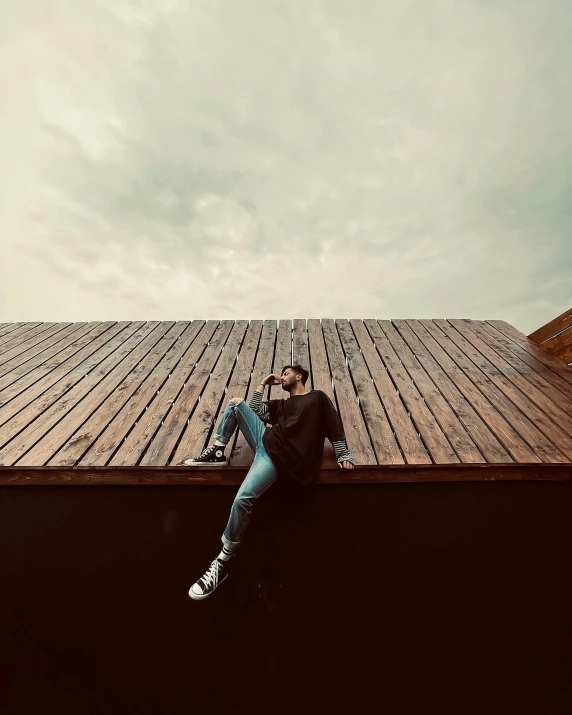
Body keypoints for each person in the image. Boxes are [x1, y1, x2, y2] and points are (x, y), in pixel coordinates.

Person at [184, 364, 355, 600]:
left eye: (286, 373)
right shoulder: (282, 405)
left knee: (242, 500)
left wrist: (343, 454)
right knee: (236, 403)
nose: (282, 377)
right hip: (265, 441)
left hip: (280, 459)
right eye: (281, 374)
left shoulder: (317, 399)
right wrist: (263, 384)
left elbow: (334, 426)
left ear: (299, 376)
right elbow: (256, 411)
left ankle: (223, 560)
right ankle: (217, 450)